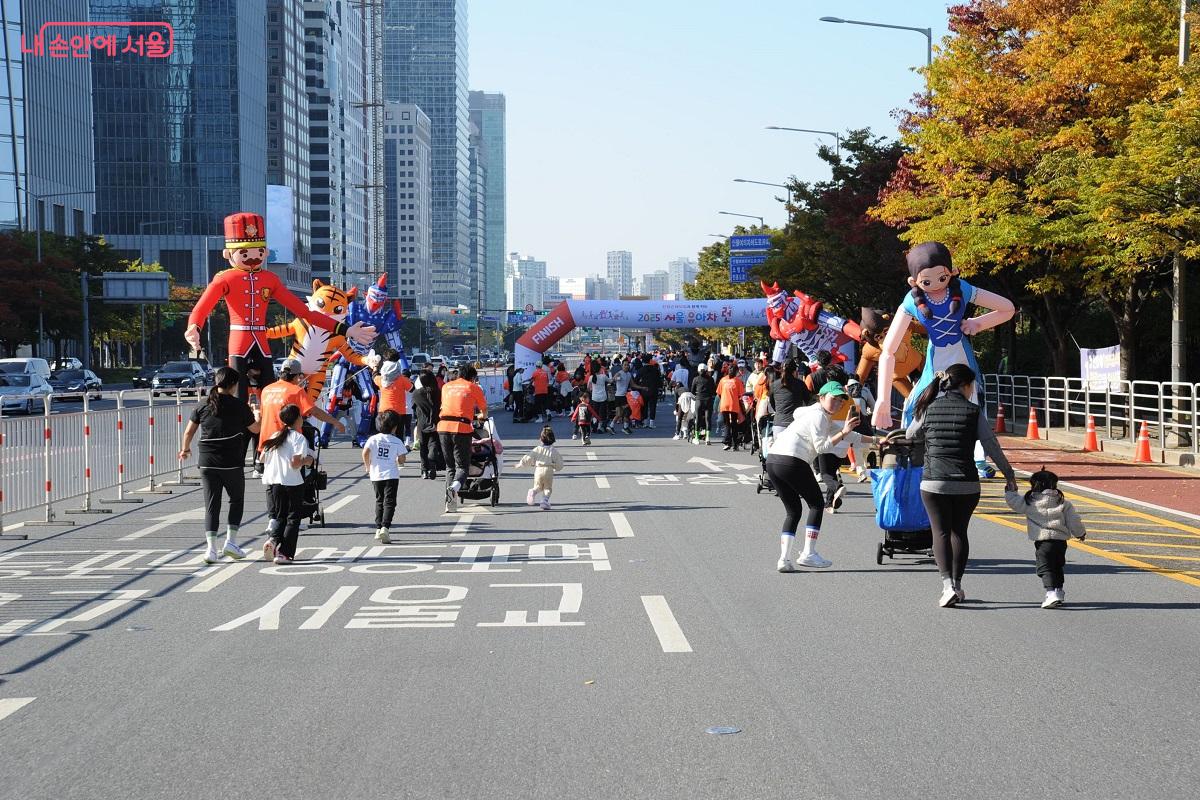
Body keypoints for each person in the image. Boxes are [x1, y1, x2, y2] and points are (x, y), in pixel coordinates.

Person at [906, 363, 1017, 608]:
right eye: (972, 386)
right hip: (966, 484)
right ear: (966, 385)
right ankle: (956, 584)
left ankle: (947, 587)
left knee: (940, 532)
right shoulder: (974, 411)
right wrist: (1009, 475)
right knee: (959, 532)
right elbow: (991, 447)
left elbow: (910, 435)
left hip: (933, 483)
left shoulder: (928, 407)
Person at [765, 382, 874, 572]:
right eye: (834, 399)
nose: (838, 404)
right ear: (821, 397)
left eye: (841, 401)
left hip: (773, 461)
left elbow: (851, 437)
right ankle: (808, 554)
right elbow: (822, 447)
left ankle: (784, 559)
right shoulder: (819, 417)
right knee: (816, 504)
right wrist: (844, 431)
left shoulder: (817, 415)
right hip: (792, 460)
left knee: (793, 511)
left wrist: (878, 441)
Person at [178, 366, 260, 564]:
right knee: (236, 500)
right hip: (231, 461)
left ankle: (211, 550)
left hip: (206, 461)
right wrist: (256, 413)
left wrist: (185, 450)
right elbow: (255, 429)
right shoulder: (240, 406)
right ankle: (231, 542)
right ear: (233, 385)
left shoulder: (202, 404)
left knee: (212, 505)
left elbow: (188, 432)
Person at [1004, 468, 1087, 608]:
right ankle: (1059, 590)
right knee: (1057, 565)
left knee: (1045, 568)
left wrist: (1010, 492)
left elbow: (1015, 503)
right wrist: (1080, 533)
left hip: (1042, 542)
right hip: (1060, 542)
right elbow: (1074, 520)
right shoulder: (1063, 502)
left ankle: (1051, 593)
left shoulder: (1030, 501)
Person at [260, 404, 315, 565]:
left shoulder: (276, 435)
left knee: (280, 516)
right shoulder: (299, 438)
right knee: (293, 518)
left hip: (274, 482)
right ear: (298, 419)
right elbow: (295, 463)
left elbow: (262, 458)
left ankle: (273, 540)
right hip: (292, 481)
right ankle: (284, 553)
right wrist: (308, 460)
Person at [437, 363, 489, 512]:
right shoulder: (473, 387)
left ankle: (450, 503)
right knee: (462, 467)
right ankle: (454, 488)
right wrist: (481, 417)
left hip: (443, 426)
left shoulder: (446, 386)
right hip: (461, 429)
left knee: (450, 466)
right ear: (472, 378)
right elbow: (484, 410)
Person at [362, 409, 408, 544]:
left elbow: (365, 452)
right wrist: (400, 459)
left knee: (379, 500)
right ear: (394, 427)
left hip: (376, 474)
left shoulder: (373, 439)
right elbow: (402, 459)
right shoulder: (397, 441)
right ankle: (385, 527)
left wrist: (367, 466)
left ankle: (377, 528)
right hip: (391, 475)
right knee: (390, 502)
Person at [517, 425, 564, 510]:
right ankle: (544, 501)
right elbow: (559, 463)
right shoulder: (553, 451)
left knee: (538, 486)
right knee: (547, 488)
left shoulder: (537, 449)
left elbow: (528, 457)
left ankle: (533, 491)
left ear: (541, 439)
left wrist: (521, 464)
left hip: (538, 470)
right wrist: (557, 468)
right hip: (548, 470)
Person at [412, 368, 443, 480]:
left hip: (422, 423)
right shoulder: (438, 392)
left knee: (423, 447)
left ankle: (424, 470)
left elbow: (414, 408)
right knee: (433, 444)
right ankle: (432, 464)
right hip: (436, 422)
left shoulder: (416, 394)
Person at [375, 357, 414, 442]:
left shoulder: (381, 379)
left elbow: (374, 376)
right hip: (399, 411)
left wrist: (375, 367)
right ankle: (399, 453)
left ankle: (383, 450)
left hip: (384, 410)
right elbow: (411, 389)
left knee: (383, 433)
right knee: (399, 435)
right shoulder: (402, 379)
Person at [716, 363, 746, 451]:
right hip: (733, 405)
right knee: (733, 424)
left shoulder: (723, 380)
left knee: (727, 424)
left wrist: (725, 398)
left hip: (725, 404)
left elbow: (719, 393)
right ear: (737, 371)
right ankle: (735, 444)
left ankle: (727, 442)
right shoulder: (737, 381)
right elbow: (741, 395)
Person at [690, 363, 716, 445]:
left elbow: (692, 391)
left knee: (698, 418)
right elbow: (713, 391)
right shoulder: (710, 379)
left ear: (698, 370)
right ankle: (707, 438)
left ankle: (697, 438)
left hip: (699, 400)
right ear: (706, 370)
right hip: (708, 400)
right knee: (708, 419)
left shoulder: (695, 379)